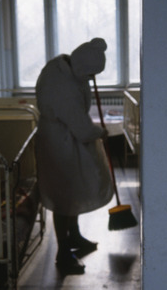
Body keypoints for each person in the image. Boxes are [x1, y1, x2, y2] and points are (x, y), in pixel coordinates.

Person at [34, 37, 114, 275]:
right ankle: (63, 253)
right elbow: (82, 128)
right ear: (81, 67)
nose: (91, 79)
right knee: (64, 195)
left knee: (73, 188)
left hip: (64, 138)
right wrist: (101, 132)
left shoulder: (61, 65)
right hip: (60, 142)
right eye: (91, 75)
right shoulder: (62, 87)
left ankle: (75, 236)